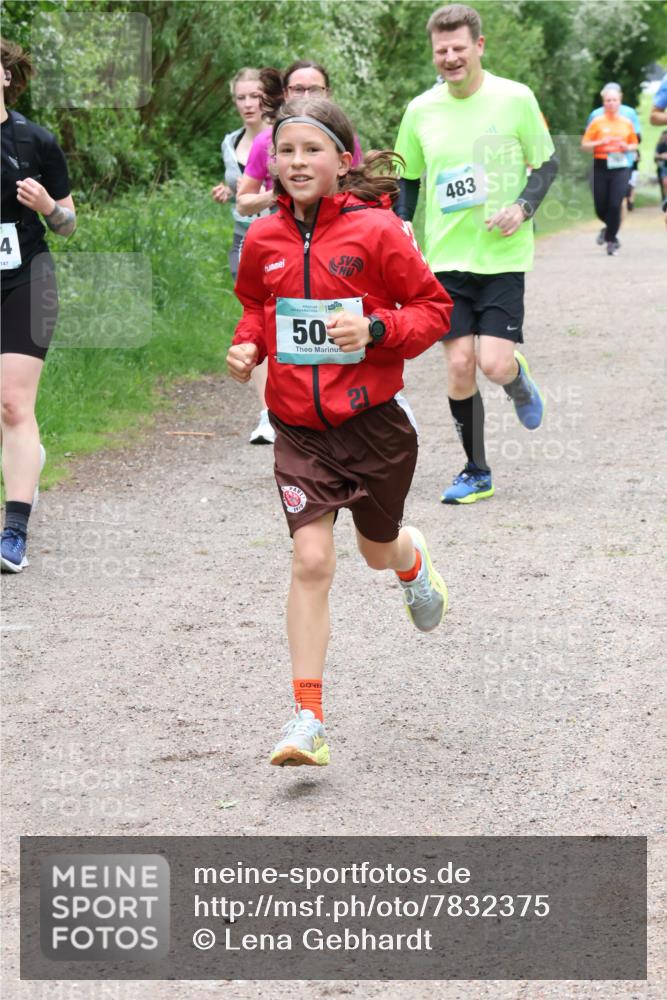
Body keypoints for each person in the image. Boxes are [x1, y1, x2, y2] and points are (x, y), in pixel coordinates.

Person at [226, 97, 452, 767]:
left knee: (376, 551)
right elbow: (256, 306)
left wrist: (376, 329)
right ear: (272, 162)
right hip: (300, 430)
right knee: (311, 560)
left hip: (373, 425)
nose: (297, 162)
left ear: (342, 160)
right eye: (285, 151)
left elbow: (433, 309)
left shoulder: (376, 231)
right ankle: (308, 720)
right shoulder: (263, 237)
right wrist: (247, 345)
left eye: (311, 150)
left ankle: (409, 558)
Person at [393, 4, 558, 505]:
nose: (450, 58)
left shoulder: (515, 98)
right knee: (460, 364)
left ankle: (517, 379)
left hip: (502, 257)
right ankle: (476, 471)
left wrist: (522, 208)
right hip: (446, 261)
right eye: (441, 50)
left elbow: (547, 165)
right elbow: (408, 176)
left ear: (479, 46)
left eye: (458, 48)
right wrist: (402, 219)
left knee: (494, 364)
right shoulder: (421, 109)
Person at [1, 39, 75, 573]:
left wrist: (49, 205)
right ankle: (28, 459)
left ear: (5, 76)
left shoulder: (35, 140)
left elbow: (68, 223)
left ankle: (14, 532)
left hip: (27, 277)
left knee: (12, 403)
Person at [211, 67, 278, 445]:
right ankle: (268, 414)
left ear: (268, 98)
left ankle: (296, 402)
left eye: (255, 96)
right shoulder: (230, 141)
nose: (249, 104)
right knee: (256, 319)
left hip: (281, 236)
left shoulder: (282, 136)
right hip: (244, 238)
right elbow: (238, 187)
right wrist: (226, 192)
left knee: (285, 317)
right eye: (241, 97)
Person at [235, 60, 363, 218]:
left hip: (337, 225)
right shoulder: (265, 141)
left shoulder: (343, 138)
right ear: (286, 94)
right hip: (283, 227)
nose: (306, 97)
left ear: (327, 94)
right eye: (298, 89)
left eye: (315, 90)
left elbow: (360, 191)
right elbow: (242, 205)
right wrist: (280, 192)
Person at [581, 84, 638, 256]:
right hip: (600, 165)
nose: (611, 103)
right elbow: (584, 145)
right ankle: (610, 228)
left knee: (615, 203)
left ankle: (611, 240)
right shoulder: (597, 122)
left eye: (614, 100)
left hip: (620, 166)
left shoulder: (626, 123)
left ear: (620, 101)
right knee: (600, 205)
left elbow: (634, 144)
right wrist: (600, 142)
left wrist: (626, 146)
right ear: (603, 102)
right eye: (608, 100)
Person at [655, 129, 667, 216]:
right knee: (665, 184)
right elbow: (656, 156)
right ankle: (665, 199)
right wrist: (662, 156)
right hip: (664, 167)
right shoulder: (660, 145)